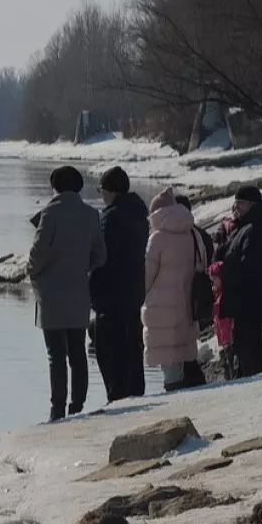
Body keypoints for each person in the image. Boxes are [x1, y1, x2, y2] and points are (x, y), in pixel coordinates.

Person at [27, 165, 106, 421]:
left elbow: (38, 253)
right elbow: (100, 255)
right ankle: (78, 403)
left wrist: (33, 271)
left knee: (55, 354)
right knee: (78, 351)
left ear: (55, 186)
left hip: (50, 294)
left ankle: (57, 408)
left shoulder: (49, 214)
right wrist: (81, 267)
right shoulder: (91, 214)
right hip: (78, 291)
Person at [91, 166, 149, 402]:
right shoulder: (138, 215)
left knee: (109, 350)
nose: (101, 195)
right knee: (132, 347)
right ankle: (135, 391)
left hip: (112, 295)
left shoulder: (111, 217)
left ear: (110, 191)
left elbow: (102, 258)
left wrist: (92, 289)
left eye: (101, 190)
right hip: (134, 291)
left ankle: (117, 397)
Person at [143, 187, 207, 392]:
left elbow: (146, 277)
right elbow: (202, 265)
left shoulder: (157, 238)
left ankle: (173, 400)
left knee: (168, 362)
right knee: (183, 356)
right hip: (188, 307)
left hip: (161, 310)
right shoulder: (194, 234)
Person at [220, 185, 262, 376]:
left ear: (251, 204)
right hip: (252, 294)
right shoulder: (251, 224)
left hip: (251, 296)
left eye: (240, 204)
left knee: (248, 340)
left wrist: (225, 271)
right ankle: (249, 375)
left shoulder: (258, 228)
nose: (235, 208)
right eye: (235, 204)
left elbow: (247, 265)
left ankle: (250, 378)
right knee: (247, 339)